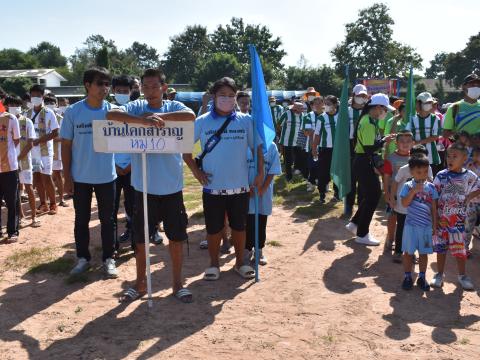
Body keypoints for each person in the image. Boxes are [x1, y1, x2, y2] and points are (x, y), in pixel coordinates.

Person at [107, 68, 196, 302]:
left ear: (164, 88)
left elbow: (190, 117)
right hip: (142, 188)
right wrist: (141, 120)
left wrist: (159, 119)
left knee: (176, 237)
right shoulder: (135, 106)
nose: (150, 91)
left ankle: (178, 285)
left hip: (172, 187)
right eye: (145, 86)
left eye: (154, 86)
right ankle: (140, 285)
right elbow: (112, 115)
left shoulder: (173, 107)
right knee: (140, 239)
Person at [184, 77, 264, 281]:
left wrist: (260, 173)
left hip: (240, 187)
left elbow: (257, 148)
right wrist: (196, 172)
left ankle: (240, 263)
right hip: (213, 188)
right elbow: (185, 149)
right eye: (222, 95)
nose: (227, 99)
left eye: (231, 95)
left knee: (239, 227)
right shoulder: (202, 121)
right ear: (213, 96)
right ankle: (213, 264)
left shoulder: (246, 120)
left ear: (236, 97)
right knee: (213, 228)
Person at [61, 67, 119, 278]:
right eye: (99, 84)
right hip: (81, 177)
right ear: (87, 85)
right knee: (81, 220)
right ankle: (83, 258)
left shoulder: (113, 111)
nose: (104, 88)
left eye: (107, 84)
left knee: (108, 220)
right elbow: (66, 145)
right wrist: (67, 177)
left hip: (107, 176)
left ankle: (109, 258)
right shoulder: (73, 111)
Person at [345, 94, 395, 246]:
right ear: (378, 107)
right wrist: (384, 141)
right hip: (364, 161)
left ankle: (354, 224)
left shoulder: (368, 120)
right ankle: (362, 233)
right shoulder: (368, 123)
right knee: (373, 195)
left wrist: (382, 140)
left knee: (370, 195)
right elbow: (368, 148)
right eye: (385, 109)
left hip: (362, 161)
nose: (385, 112)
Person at [430, 143, 480, 290]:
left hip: (459, 223)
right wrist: (435, 218)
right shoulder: (441, 175)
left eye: (455, 156)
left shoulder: (469, 176)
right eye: (448, 156)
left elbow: (478, 187)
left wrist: (468, 197)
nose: (450, 159)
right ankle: (439, 274)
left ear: (464, 158)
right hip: (442, 221)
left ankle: (462, 276)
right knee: (441, 248)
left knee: (460, 250)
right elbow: (433, 197)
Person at [399, 155, 438, 291]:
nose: (422, 175)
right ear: (411, 172)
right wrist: (414, 191)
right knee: (408, 253)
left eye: (425, 171)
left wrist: (434, 225)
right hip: (410, 227)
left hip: (426, 228)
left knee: (424, 253)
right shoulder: (407, 186)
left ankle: (422, 277)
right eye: (418, 172)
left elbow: (434, 207)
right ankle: (408, 276)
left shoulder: (432, 188)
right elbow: (404, 203)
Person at [390, 145, 433, 263]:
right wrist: (393, 198)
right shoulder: (404, 169)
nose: (419, 159)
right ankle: (398, 251)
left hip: (419, 207)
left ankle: (411, 252)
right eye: (416, 156)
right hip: (402, 204)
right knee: (401, 227)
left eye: (422, 156)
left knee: (414, 229)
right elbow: (395, 182)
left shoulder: (428, 168)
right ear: (410, 156)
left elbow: (431, 182)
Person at [244, 142, 282, 266]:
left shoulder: (271, 146)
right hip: (246, 190)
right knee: (247, 221)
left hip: (263, 192)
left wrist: (263, 188)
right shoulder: (243, 143)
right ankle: (247, 249)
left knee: (261, 220)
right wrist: (246, 188)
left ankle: (259, 249)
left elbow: (273, 170)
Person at [5, 96, 40, 228]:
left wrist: (18, 158)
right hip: (10, 162)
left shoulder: (27, 122)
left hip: (24, 160)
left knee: (29, 188)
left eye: (16, 104)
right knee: (16, 190)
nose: (13, 107)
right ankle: (20, 217)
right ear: (7, 106)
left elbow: (30, 144)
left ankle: (34, 217)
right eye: (11, 104)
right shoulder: (5, 121)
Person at [26, 85, 59, 215]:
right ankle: (43, 203)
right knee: (37, 177)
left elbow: (55, 132)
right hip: (32, 152)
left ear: (42, 97)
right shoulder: (27, 113)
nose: (35, 98)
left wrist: (39, 140)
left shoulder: (49, 113)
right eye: (33, 95)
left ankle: (53, 203)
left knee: (47, 177)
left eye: (38, 96)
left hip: (45, 151)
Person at [382, 131, 414, 257]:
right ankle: (390, 239)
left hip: (409, 196)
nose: (405, 144)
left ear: (413, 143)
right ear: (396, 143)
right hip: (394, 194)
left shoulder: (414, 158)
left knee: (407, 220)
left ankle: (405, 244)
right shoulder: (391, 158)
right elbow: (386, 177)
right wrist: (387, 194)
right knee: (392, 217)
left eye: (408, 141)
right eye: (402, 141)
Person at [345, 84, 369, 216]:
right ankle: (349, 205)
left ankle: (361, 205)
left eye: (364, 95)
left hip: (364, 146)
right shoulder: (346, 111)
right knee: (351, 177)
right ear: (353, 96)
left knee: (363, 177)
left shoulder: (368, 111)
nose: (362, 98)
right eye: (359, 95)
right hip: (350, 145)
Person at [312, 95, 339, 203]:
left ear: (335, 105)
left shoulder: (341, 116)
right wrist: (314, 148)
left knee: (337, 172)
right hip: (325, 150)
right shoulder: (321, 118)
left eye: (329, 104)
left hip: (338, 150)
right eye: (325, 104)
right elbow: (317, 134)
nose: (326, 106)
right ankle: (322, 194)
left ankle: (337, 193)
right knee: (323, 172)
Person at [405, 92, 441, 174]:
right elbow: (407, 135)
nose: (428, 104)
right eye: (426, 102)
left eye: (429, 102)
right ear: (418, 104)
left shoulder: (436, 119)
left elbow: (435, 136)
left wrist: (418, 143)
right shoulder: (411, 119)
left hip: (431, 157)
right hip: (414, 156)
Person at [44, 93, 68, 207]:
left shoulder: (61, 119)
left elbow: (64, 137)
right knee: (45, 175)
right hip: (43, 151)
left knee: (58, 175)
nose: (49, 105)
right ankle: (47, 200)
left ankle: (61, 199)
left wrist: (50, 139)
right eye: (47, 103)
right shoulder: (42, 117)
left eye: (52, 103)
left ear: (56, 104)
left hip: (57, 151)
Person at [0, 110, 20, 242]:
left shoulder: (11, 118)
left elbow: (17, 140)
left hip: (9, 167)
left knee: (12, 201)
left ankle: (12, 231)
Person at [278, 100, 308, 181]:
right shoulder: (286, 114)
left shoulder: (303, 115)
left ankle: (302, 174)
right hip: (287, 141)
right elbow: (279, 124)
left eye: (302, 109)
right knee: (288, 160)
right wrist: (285, 133)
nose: (302, 110)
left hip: (299, 141)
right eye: (300, 109)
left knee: (301, 158)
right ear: (295, 109)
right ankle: (289, 177)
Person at [443, 73, 480, 137]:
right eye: (472, 84)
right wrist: (463, 137)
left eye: (478, 84)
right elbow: (446, 134)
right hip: (460, 146)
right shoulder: (454, 107)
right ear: (463, 86)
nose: (475, 86)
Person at [304, 96, 324, 192]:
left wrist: (315, 131)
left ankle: (324, 183)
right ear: (312, 105)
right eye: (315, 103)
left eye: (319, 103)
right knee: (312, 166)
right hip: (311, 145)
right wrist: (313, 147)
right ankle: (311, 183)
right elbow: (307, 132)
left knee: (324, 166)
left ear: (323, 104)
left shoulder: (327, 115)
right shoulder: (308, 116)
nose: (317, 105)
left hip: (325, 145)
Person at [466, 146, 480, 255]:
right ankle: (465, 248)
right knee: (468, 226)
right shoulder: (470, 167)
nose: (477, 157)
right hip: (472, 202)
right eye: (475, 155)